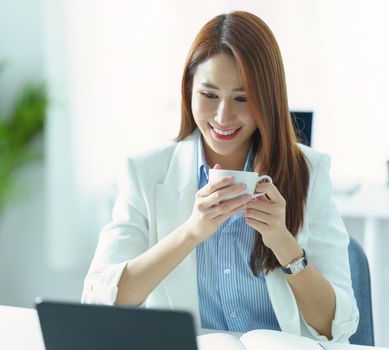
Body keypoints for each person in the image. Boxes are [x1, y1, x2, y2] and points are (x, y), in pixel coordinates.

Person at [81, 11, 358, 342]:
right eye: (209, 95)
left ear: (267, 99)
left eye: (242, 98)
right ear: (189, 89)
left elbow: (338, 325)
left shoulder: (308, 171)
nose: (223, 116)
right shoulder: (144, 172)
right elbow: (99, 300)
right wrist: (190, 234)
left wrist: (282, 242)